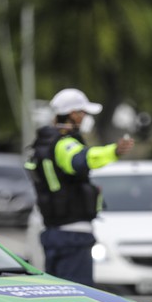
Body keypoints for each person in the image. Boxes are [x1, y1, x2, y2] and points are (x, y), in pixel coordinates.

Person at [26, 88, 134, 285]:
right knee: (76, 297)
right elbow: (80, 160)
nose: (84, 118)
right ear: (73, 113)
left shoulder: (44, 142)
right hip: (73, 236)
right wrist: (114, 151)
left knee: (58, 298)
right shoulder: (63, 143)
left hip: (54, 232)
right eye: (83, 113)